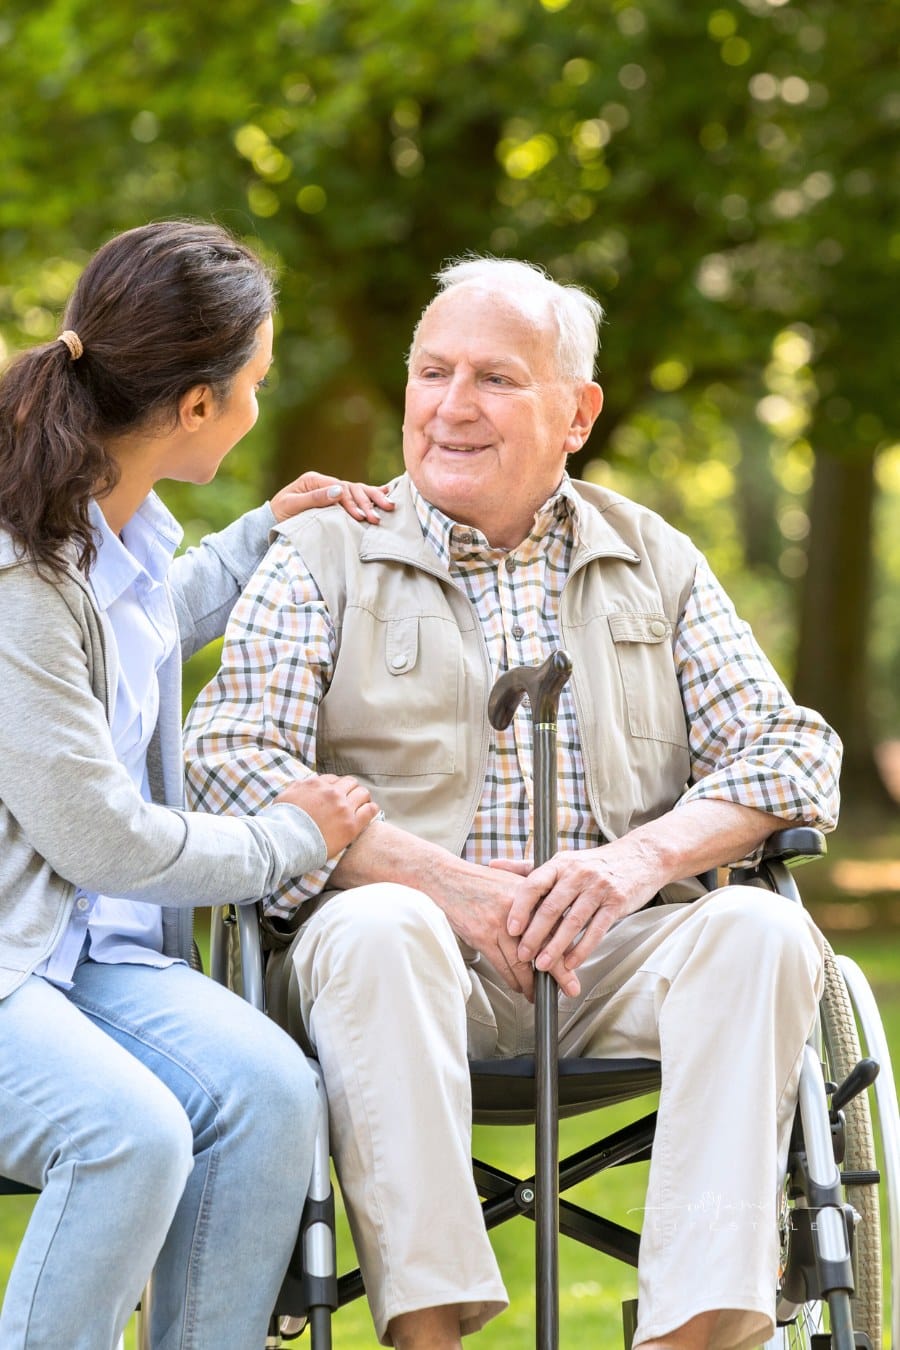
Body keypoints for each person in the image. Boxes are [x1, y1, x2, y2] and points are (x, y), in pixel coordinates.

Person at [184, 256, 841, 1350]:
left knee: (761, 931)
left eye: (495, 378)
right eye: (432, 372)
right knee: (383, 925)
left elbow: (792, 749)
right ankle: (429, 1336)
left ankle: (696, 1338)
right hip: (401, 964)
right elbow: (228, 762)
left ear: (576, 412)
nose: (451, 407)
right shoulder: (321, 556)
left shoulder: (655, 561)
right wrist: (447, 886)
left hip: (612, 956)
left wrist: (634, 864)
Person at [0, 218, 393, 1350]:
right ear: (195, 408)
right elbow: (105, 842)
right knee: (129, 1134)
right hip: (15, 957)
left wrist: (271, 529)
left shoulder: (107, 532)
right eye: (256, 384)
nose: (264, 407)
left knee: (273, 1098)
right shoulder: (19, 573)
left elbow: (140, 631)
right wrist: (288, 836)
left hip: (81, 954)